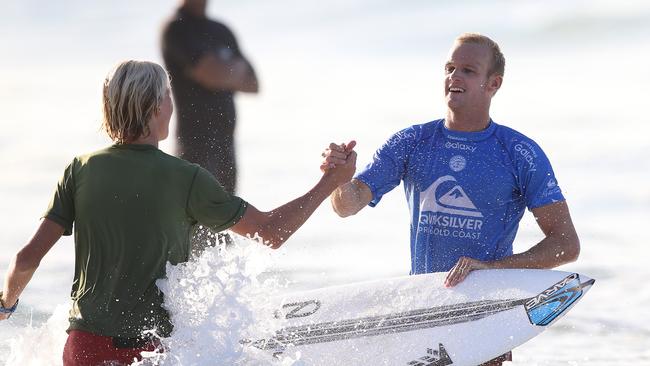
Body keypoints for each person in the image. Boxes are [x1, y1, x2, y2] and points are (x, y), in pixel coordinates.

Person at [0, 60, 355, 366]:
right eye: (168, 96)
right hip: (148, 350)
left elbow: (26, 258)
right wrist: (329, 184)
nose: (172, 104)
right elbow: (270, 232)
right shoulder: (188, 178)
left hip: (83, 348)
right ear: (156, 107)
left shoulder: (79, 170)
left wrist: (6, 304)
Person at [322, 33, 580, 366]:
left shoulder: (518, 153)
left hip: (486, 315)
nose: (454, 77)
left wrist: (490, 268)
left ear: (493, 84)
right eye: (449, 68)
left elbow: (566, 244)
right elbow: (347, 205)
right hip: (423, 309)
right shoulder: (412, 142)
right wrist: (338, 179)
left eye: (468, 71)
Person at [161, 0, 258, 194]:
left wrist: (220, 71)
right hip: (194, 144)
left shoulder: (221, 30)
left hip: (226, 144)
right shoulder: (176, 28)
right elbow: (210, 74)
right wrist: (232, 70)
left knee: (225, 219)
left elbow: (253, 83)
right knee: (192, 218)